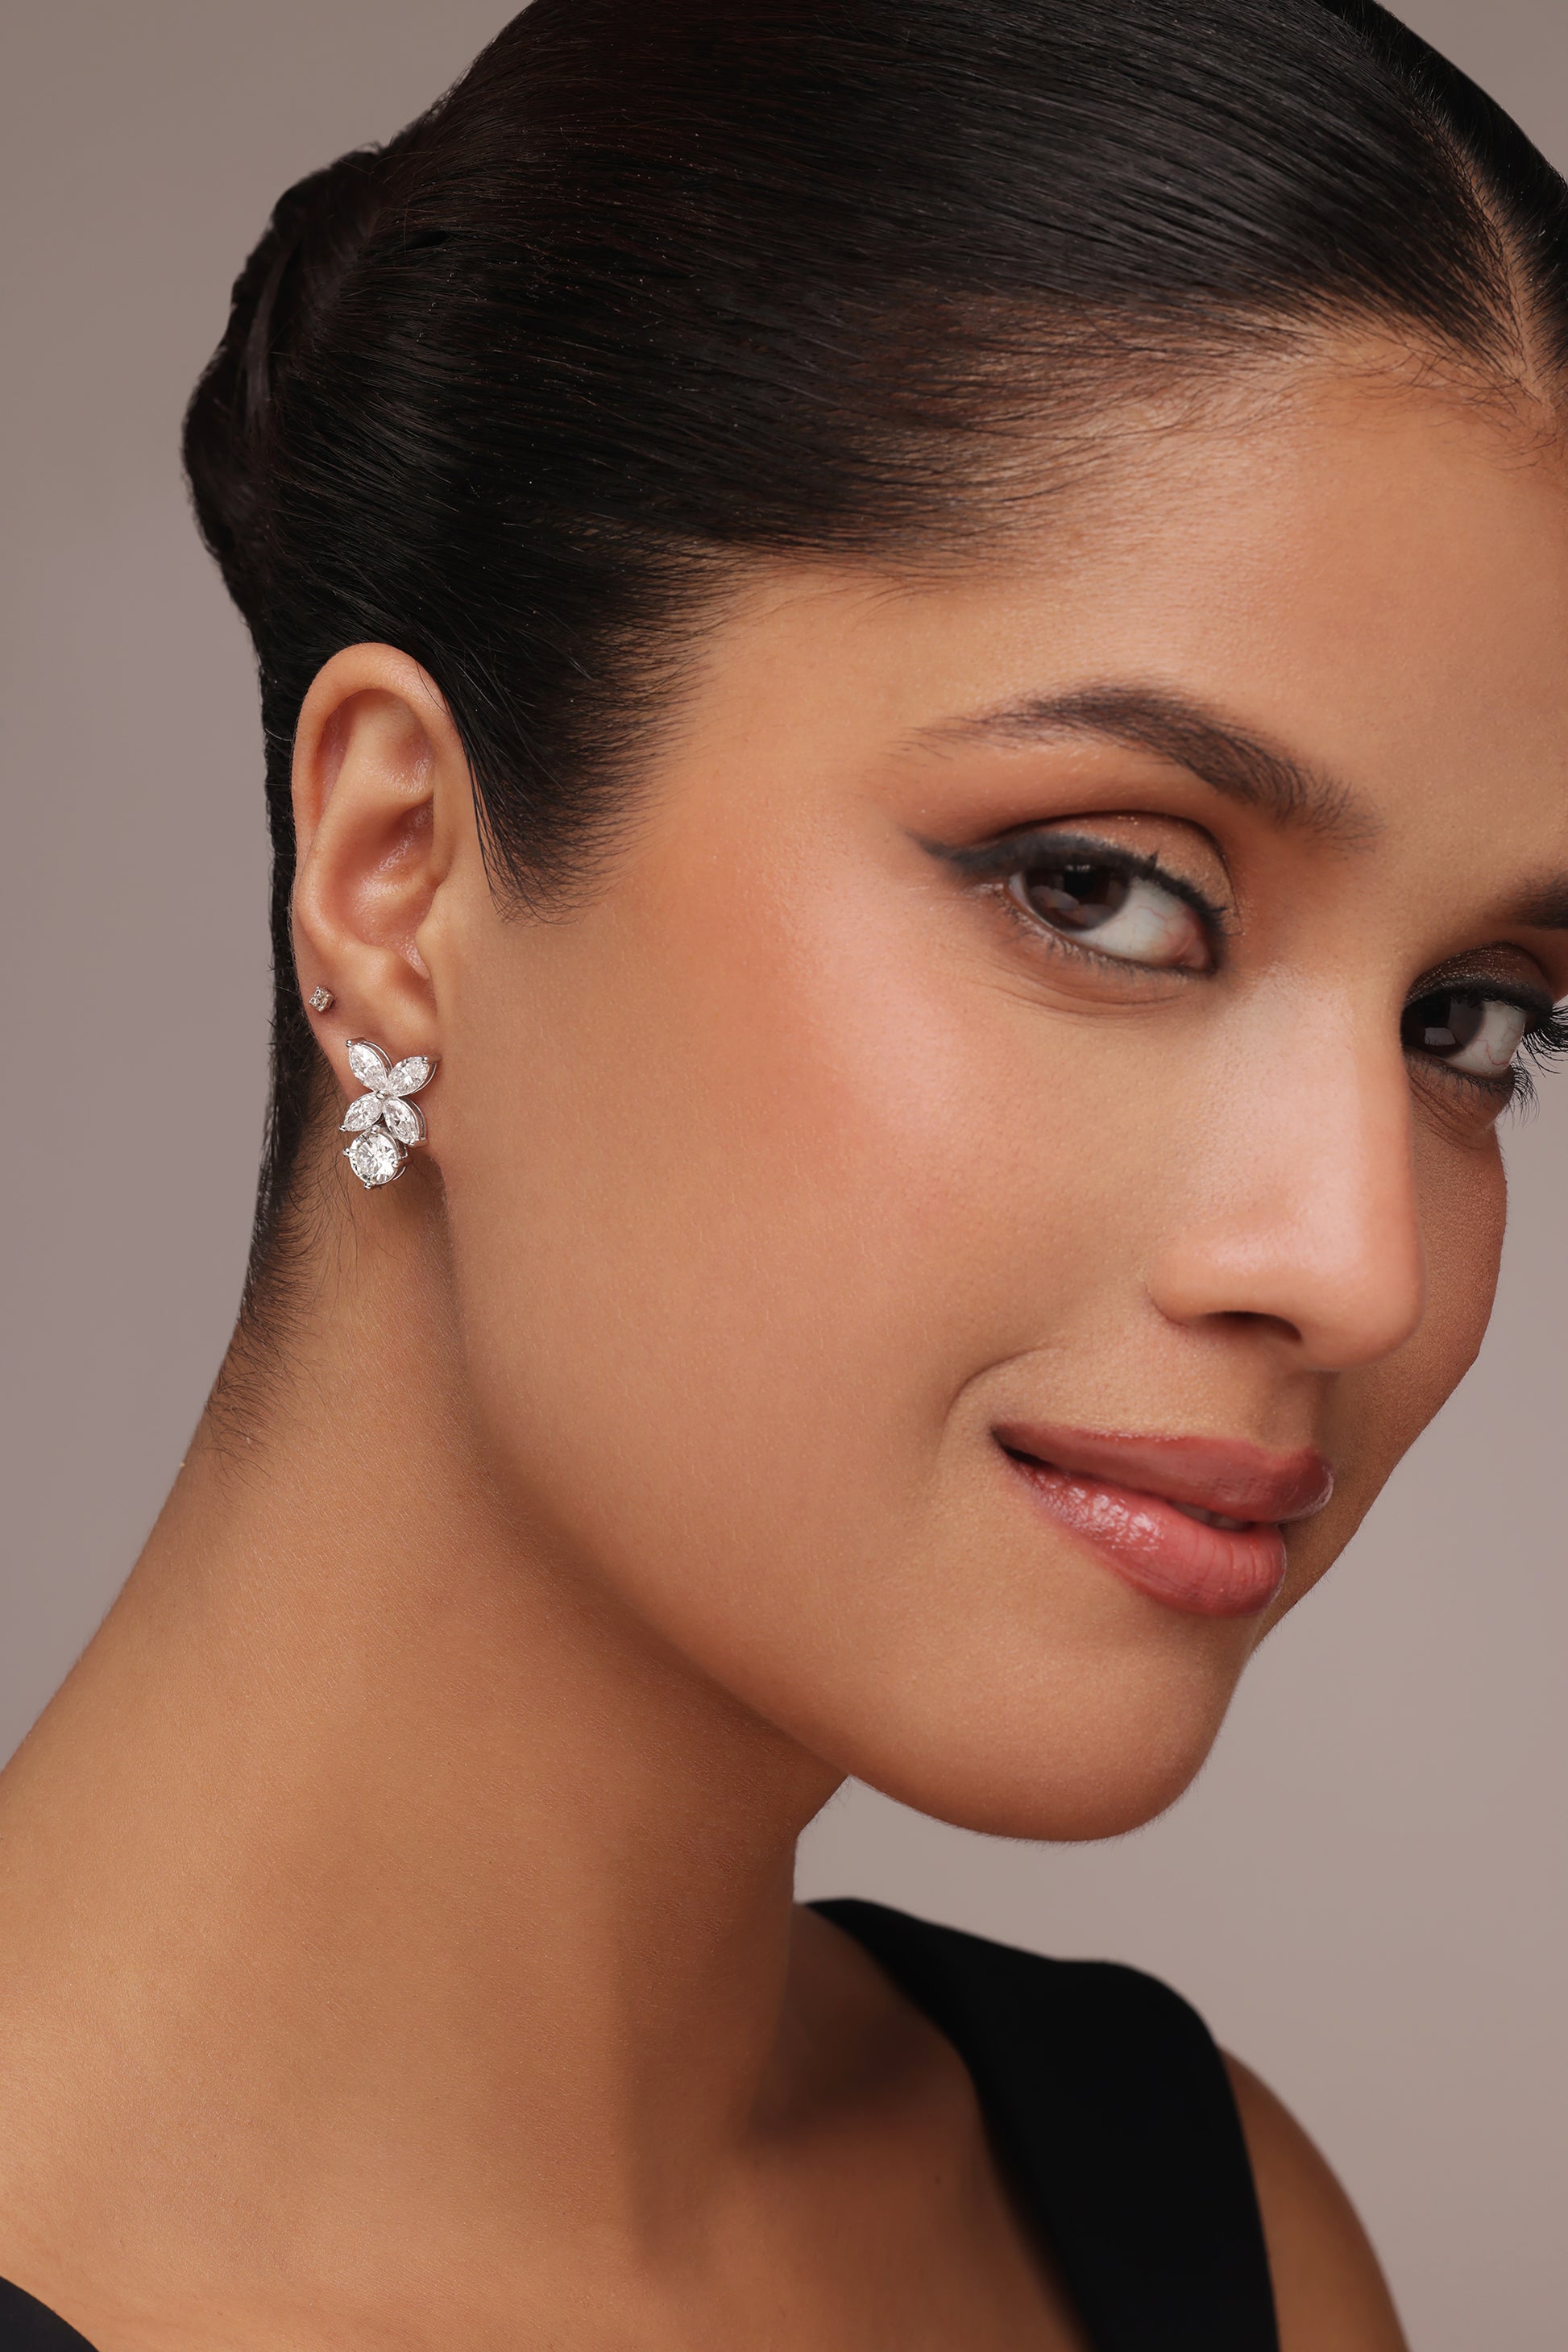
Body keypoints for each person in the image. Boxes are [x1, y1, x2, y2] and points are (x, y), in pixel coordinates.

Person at [3, 0, 1566, 2342]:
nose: (1357, 1265)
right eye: (1103, 890)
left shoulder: (1196, 2233)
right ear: (399, 869)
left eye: (1473, 1025)